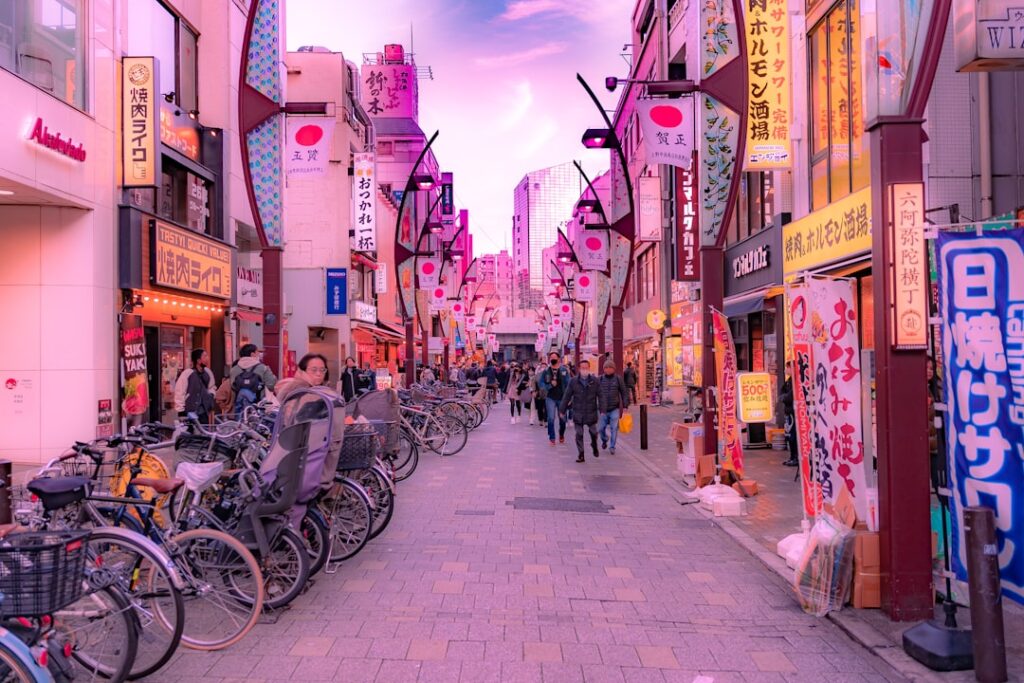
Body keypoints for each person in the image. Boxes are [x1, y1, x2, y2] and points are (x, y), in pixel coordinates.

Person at [560, 359, 601, 463]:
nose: (584, 370)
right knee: (579, 433)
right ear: (579, 369)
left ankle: (594, 444)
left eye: (586, 368)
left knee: (593, 432)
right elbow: (567, 396)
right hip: (578, 411)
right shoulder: (573, 381)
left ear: (589, 368)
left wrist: (603, 409)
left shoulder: (595, 381)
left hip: (591, 411)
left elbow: (601, 395)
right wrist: (562, 410)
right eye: (582, 368)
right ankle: (581, 454)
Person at [229, 344, 277, 414]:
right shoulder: (263, 368)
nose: (259, 354)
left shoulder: (233, 369)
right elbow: (271, 385)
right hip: (258, 406)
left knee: (241, 423)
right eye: (257, 352)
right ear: (252, 354)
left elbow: (233, 387)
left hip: (239, 406)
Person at [174, 348, 216, 424]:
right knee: (189, 433)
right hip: (189, 411)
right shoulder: (188, 373)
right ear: (198, 360)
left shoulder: (208, 372)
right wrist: (181, 411)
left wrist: (211, 396)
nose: (207, 358)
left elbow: (212, 387)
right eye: (205, 356)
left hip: (204, 410)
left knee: (204, 433)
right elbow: (180, 391)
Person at [597, 359, 630, 454]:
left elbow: (624, 393)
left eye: (610, 367)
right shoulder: (600, 379)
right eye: (606, 367)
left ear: (614, 368)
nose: (608, 369)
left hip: (614, 408)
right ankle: (604, 439)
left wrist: (625, 405)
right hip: (603, 409)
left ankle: (612, 446)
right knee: (601, 428)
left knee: (614, 428)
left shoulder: (618, 379)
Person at [539, 353, 570, 445]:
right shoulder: (546, 371)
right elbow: (541, 383)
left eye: (554, 358)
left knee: (563, 419)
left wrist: (569, 397)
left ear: (558, 359)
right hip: (550, 397)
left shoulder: (564, 370)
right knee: (551, 418)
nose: (552, 359)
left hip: (562, 397)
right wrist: (549, 385)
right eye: (551, 358)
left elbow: (569, 383)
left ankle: (561, 434)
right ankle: (552, 437)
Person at [780, 361, 798, 466]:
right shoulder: (789, 381)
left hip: (793, 412)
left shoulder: (796, 381)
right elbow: (782, 394)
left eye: (787, 368)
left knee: (793, 436)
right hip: (789, 412)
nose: (785, 370)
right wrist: (784, 397)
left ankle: (795, 457)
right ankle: (792, 456)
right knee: (789, 435)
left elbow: (788, 397)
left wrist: (784, 397)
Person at [532, 361, 547, 427]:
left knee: (547, 408)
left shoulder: (549, 375)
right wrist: (534, 391)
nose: (543, 368)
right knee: (540, 408)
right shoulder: (537, 376)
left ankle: (546, 421)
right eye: (542, 366)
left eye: (545, 367)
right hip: (539, 393)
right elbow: (534, 383)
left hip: (547, 393)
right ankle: (540, 419)